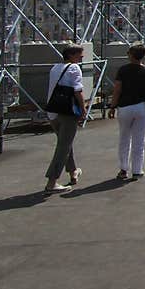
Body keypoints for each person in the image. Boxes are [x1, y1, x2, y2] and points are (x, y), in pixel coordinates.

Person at [107, 44, 145, 180]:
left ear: (131, 55)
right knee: (139, 139)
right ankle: (137, 170)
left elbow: (117, 90)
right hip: (142, 107)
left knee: (124, 138)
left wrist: (112, 106)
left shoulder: (123, 70)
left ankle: (123, 169)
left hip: (124, 107)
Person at [42, 44, 87, 194]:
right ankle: (52, 181)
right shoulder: (74, 68)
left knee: (65, 141)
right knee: (63, 146)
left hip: (53, 111)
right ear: (72, 55)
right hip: (67, 112)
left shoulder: (55, 68)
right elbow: (77, 90)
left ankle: (73, 171)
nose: (82, 57)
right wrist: (83, 109)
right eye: (80, 54)